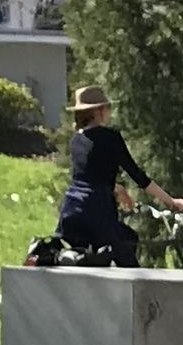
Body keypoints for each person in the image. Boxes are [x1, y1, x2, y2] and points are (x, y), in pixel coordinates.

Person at [54, 84, 157, 265]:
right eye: (108, 108)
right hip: (97, 214)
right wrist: (172, 201)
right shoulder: (111, 137)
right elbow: (138, 176)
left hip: (71, 214)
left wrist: (118, 190)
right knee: (128, 250)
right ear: (100, 111)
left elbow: (89, 177)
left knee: (96, 259)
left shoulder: (76, 140)